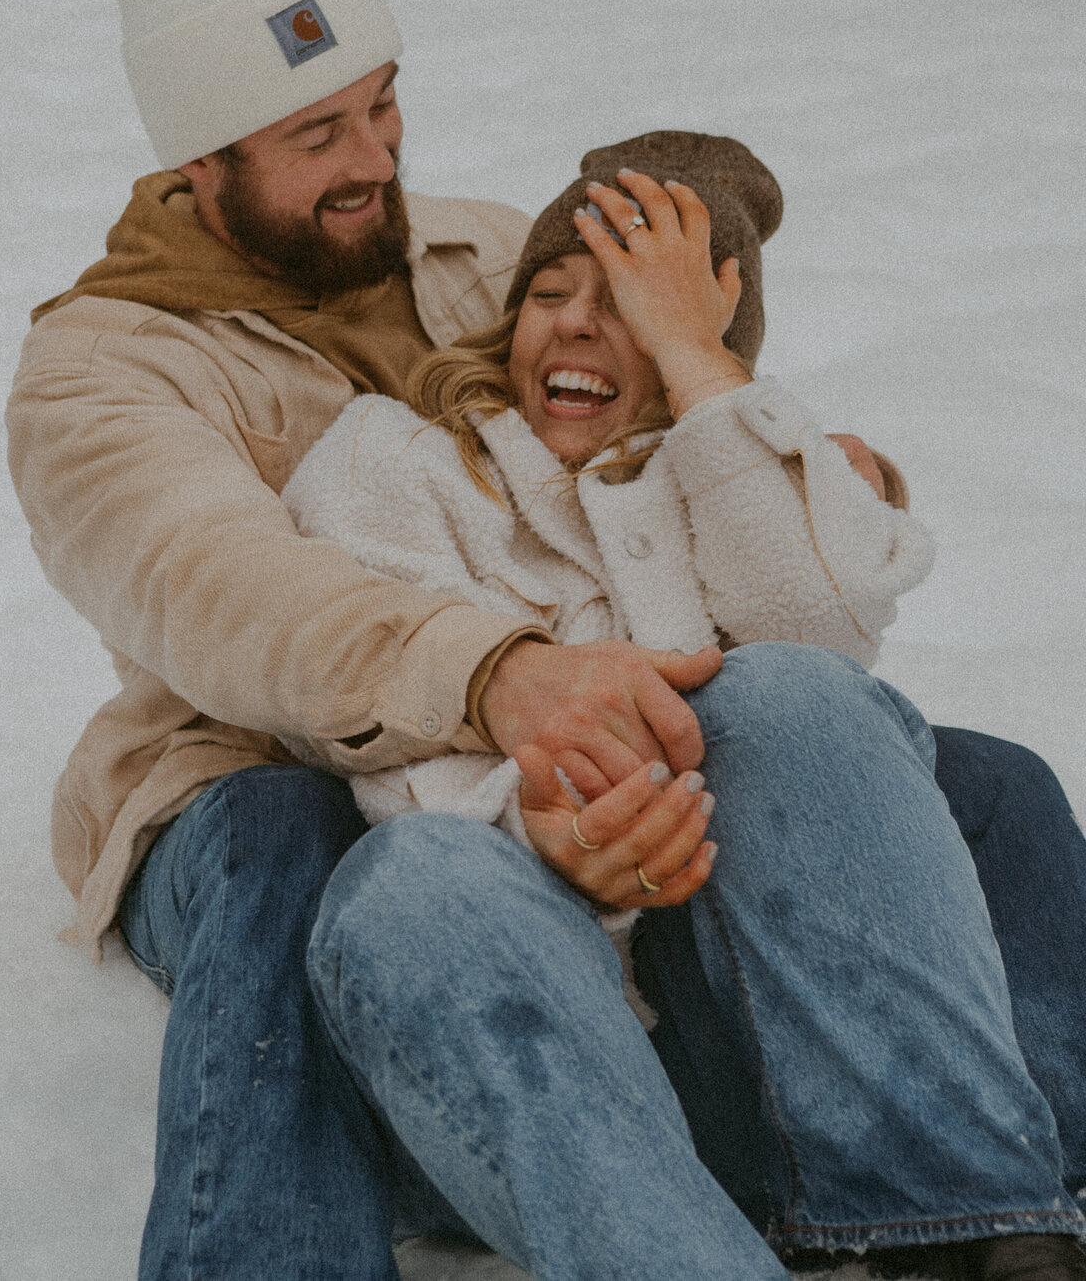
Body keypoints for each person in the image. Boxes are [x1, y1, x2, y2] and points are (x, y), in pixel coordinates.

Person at [5, 0, 1086, 1281]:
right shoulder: (99, 367)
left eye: (384, 103)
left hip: (578, 728)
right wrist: (504, 679)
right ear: (202, 164)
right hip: (256, 757)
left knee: (979, 786)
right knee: (293, 843)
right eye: (318, 134)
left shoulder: (484, 252)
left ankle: (1005, 1214)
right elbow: (223, 592)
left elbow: (670, 417)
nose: (378, 159)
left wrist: (823, 475)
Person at [282, 130, 936, 887]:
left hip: (750, 894)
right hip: (502, 892)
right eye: (548, 293)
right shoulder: (397, 455)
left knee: (1006, 788)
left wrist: (699, 365)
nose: (575, 322)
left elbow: (815, 655)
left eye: (632, 305)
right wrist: (547, 831)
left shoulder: (732, 476)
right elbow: (362, 705)